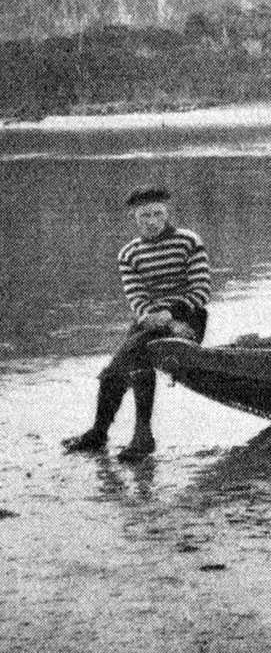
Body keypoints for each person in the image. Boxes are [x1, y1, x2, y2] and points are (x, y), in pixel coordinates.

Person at [63, 186, 211, 461]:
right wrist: (156, 319)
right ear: (135, 217)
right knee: (116, 371)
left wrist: (171, 314)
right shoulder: (128, 254)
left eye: (158, 214)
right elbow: (137, 299)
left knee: (125, 362)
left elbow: (202, 291)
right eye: (145, 216)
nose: (152, 221)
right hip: (148, 322)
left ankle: (135, 434)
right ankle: (106, 432)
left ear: (167, 213)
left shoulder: (189, 241)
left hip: (187, 319)